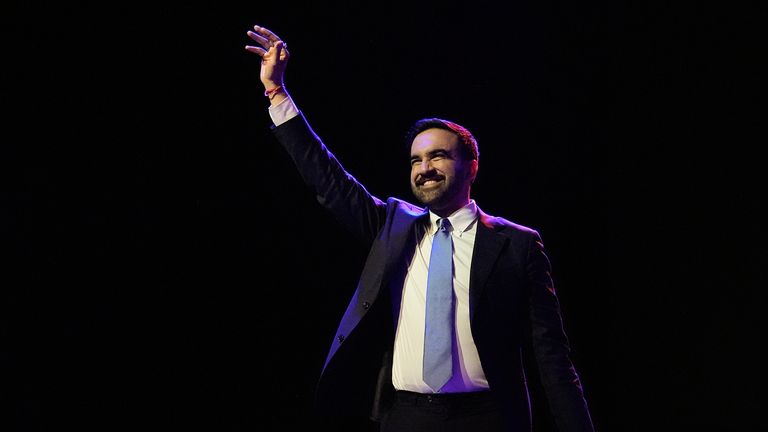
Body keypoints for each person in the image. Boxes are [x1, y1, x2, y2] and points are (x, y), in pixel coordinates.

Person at [245, 24, 595, 432]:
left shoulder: (517, 244)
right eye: (416, 160)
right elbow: (328, 180)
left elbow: (552, 355)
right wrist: (277, 93)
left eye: (438, 156)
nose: (424, 168)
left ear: (472, 166)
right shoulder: (393, 227)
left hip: (488, 418)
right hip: (406, 416)